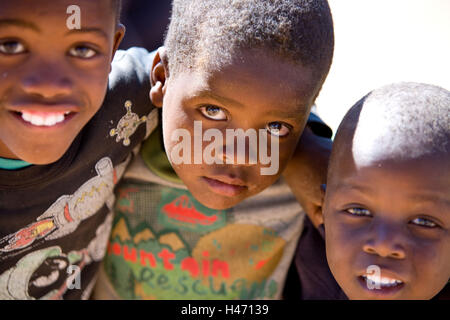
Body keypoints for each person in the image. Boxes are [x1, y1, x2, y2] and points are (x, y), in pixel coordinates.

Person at [93, 0, 335, 299]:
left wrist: (311, 141)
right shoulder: (114, 138)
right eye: (212, 111)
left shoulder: (311, 193)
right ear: (161, 77)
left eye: (275, 127)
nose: (239, 154)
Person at [0, 0, 156, 299]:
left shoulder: (130, 103)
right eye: (10, 45)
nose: (49, 85)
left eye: (82, 49)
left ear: (112, 49)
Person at [287, 82, 450, 300]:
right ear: (323, 209)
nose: (383, 245)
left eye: (424, 222)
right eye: (358, 211)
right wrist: (302, 147)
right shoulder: (306, 260)